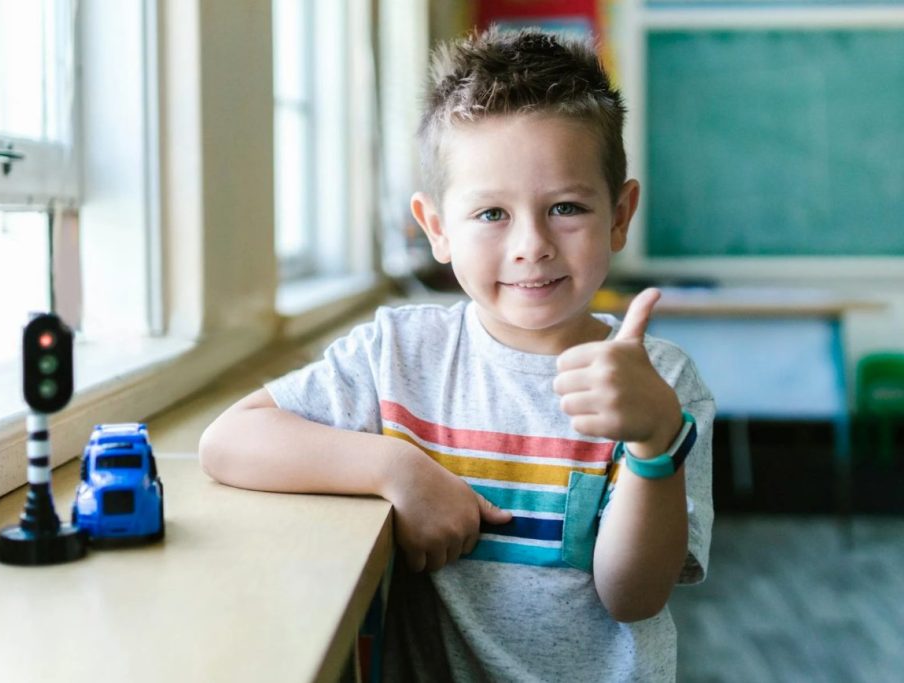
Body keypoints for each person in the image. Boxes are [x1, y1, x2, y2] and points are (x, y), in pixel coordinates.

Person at [199, 27, 715, 682]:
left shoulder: (660, 382)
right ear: (437, 227)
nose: (532, 244)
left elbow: (634, 595)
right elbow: (228, 440)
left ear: (620, 213)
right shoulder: (400, 354)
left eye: (565, 207)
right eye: (492, 214)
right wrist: (398, 467)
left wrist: (653, 443)